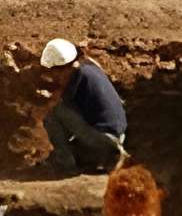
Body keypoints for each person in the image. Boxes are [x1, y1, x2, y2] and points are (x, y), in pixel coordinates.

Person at [39, 38, 127, 174]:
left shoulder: (77, 77)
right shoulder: (90, 68)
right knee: (74, 148)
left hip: (105, 138)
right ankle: (106, 158)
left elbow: (62, 111)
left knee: (53, 114)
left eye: (54, 72)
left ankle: (65, 165)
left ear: (61, 69)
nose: (54, 77)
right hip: (116, 136)